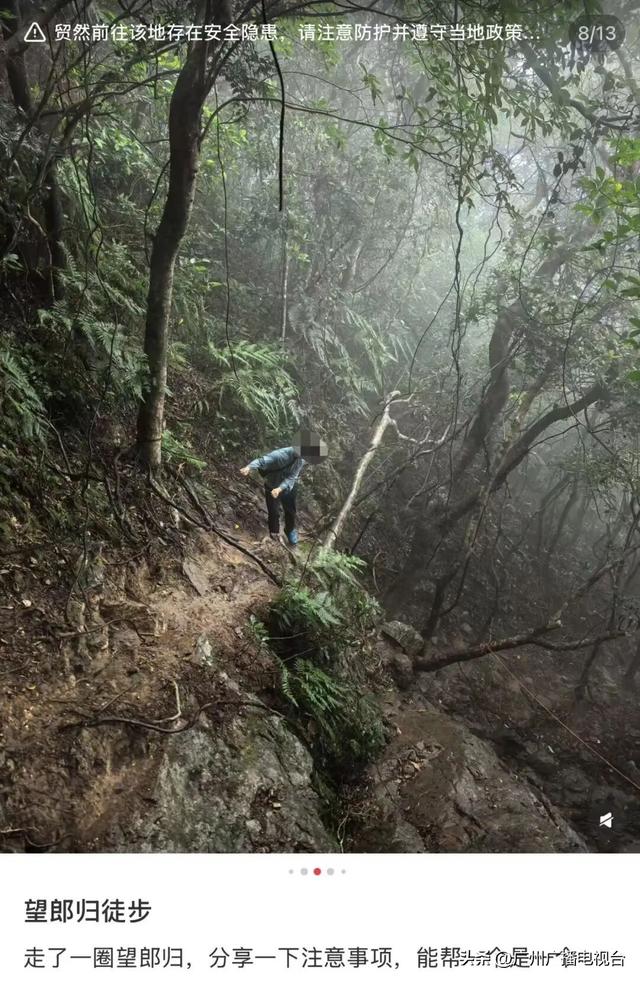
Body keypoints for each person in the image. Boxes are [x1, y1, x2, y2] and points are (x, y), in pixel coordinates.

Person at [240, 430, 327, 546]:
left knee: (290, 511)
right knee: (273, 511)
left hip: (288, 486)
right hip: (272, 484)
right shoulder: (280, 455)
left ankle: (289, 530)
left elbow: (292, 477)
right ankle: (274, 536)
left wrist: (280, 488)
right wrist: (248, 467)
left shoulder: (301, 460)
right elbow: (262, 461)